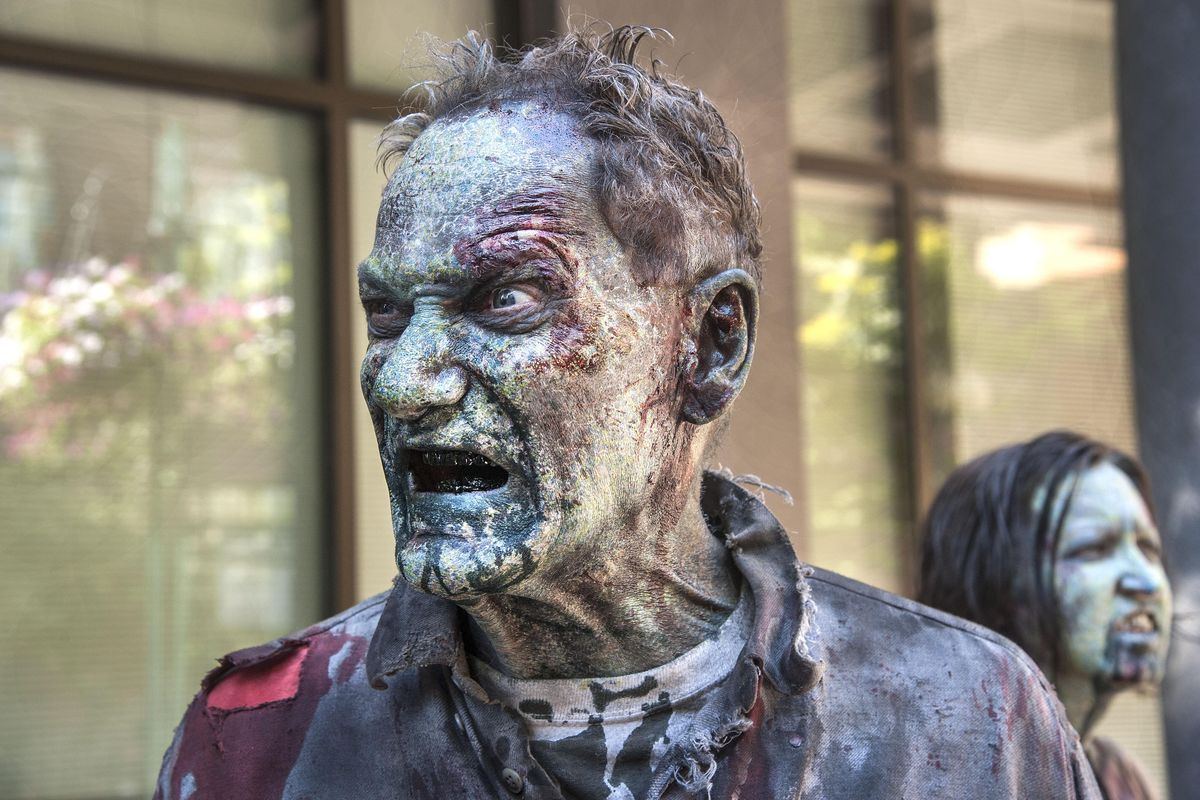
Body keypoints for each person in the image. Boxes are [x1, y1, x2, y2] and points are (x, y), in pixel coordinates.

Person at [155, 28, 1101, 799]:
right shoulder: (259, 743)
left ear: (710, 345)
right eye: (388, 315)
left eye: (507, 301)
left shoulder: (968, 721)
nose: (404, 383)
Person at [919, 430, 1173, 800]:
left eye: (1148, 549)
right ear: (998, 584)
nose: (1146, 582)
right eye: (1093, 549)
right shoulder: (930, 777)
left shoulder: (1121, 780)